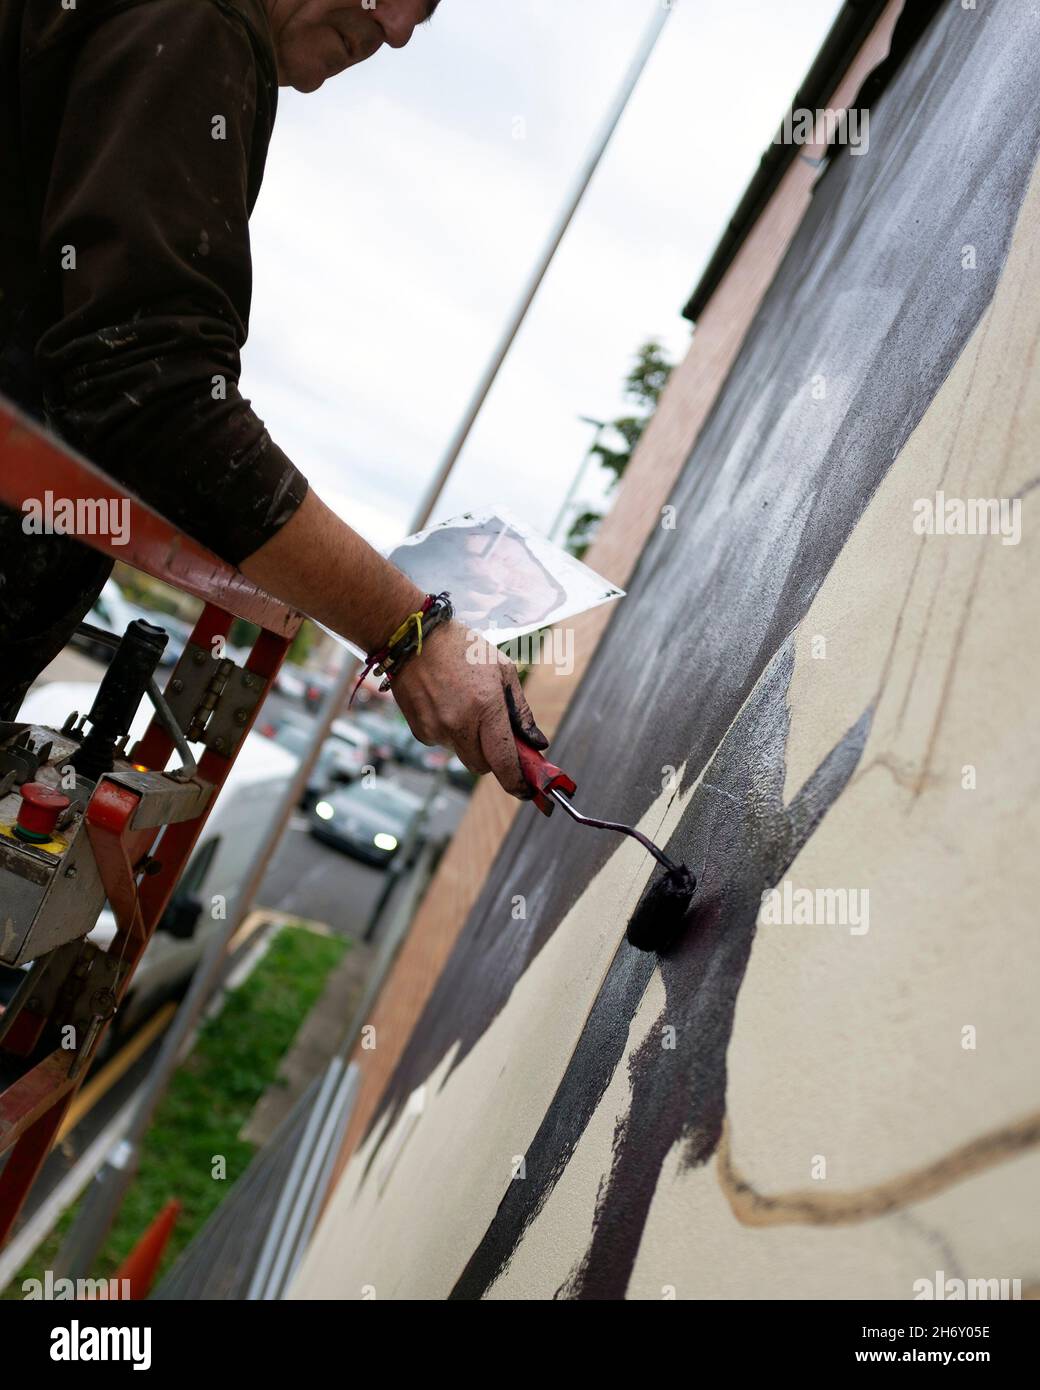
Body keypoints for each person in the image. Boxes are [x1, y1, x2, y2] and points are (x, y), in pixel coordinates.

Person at [0, 0, 546, 795]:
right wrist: (411, 631)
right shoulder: (202, 19)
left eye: (421, 19)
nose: (394, 30)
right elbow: (153, 397)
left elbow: (131, 378)